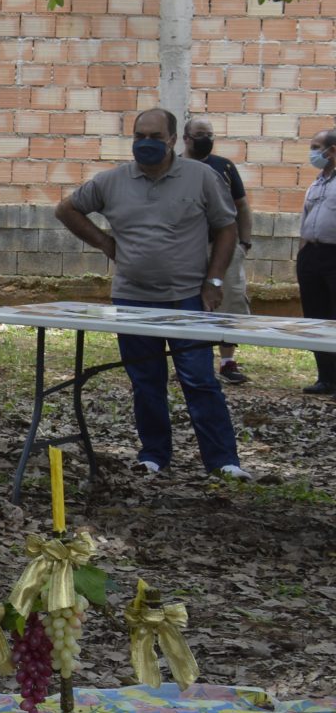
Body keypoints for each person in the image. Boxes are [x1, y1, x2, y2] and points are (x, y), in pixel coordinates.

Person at [54, 107, 250, 479]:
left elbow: (227, 228)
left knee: (199, 380)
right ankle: (154, 455)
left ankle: (223, 461)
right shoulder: (112, 181)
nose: (146, 143)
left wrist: (214, 281)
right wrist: (105, 243)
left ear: (173, 140)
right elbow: (66, 210)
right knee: (146, 383)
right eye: (139, 136)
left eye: (155, 137)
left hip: (187, 299)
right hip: (132, 299)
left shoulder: (201, 177)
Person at [184, 118, 253, 383]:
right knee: (190, 301)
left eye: (210, 135)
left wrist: (244, 243)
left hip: (226, 246)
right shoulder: (175, 167)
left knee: (231, 299)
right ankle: (190, 360)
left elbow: (242, 205)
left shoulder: (224, 167)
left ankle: (227, 362)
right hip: (188, 246)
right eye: (200, 134)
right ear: (186, 138)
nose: (206, 139)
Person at [297, 125, 336, 395]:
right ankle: (326, 377)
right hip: (311, 255)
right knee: (315, 319)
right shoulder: (316, 183)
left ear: (332, 151)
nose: (312, 153)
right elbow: (306, 220)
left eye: (316, 148)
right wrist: (302, 255)